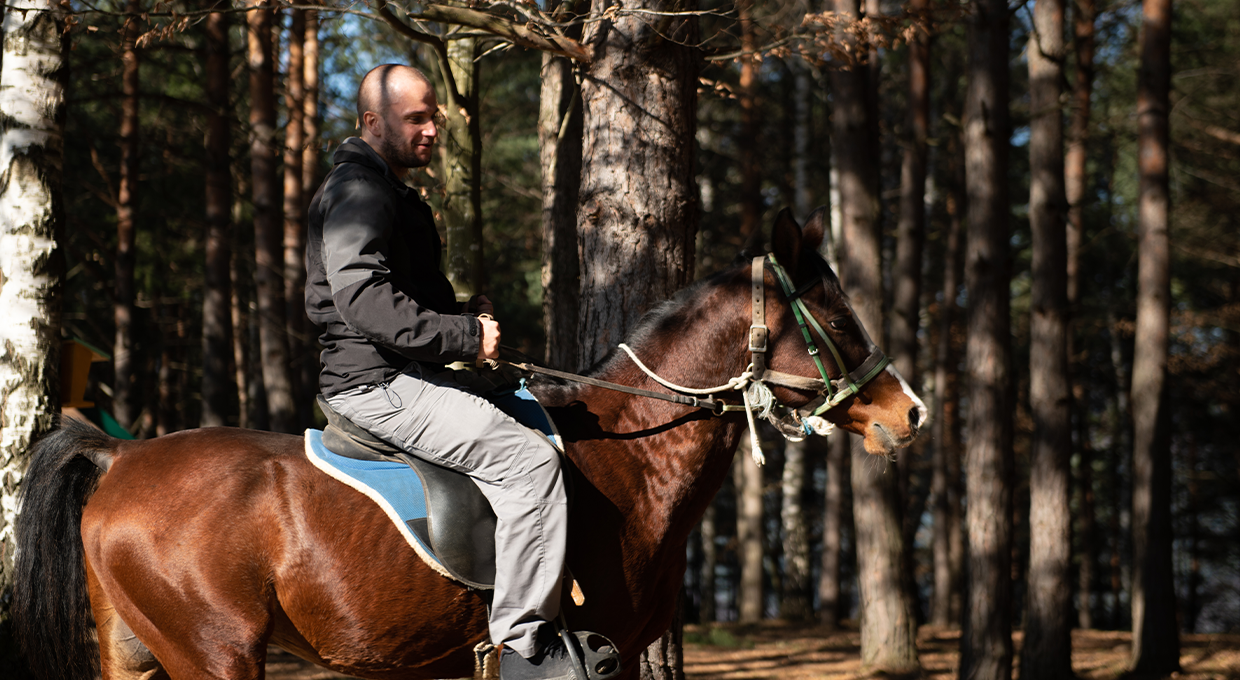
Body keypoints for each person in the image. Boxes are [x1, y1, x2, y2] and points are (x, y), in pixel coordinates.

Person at [304, 64, 573, 680]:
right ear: (373, 122)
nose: (431, 130)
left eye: (435, 117)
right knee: (529, 462)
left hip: (395, 370)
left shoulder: (387, 190)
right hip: (375, 384)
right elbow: (364, 300)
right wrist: (465, 336)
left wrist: (457, 314)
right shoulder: (361, 192)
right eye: (415, 119)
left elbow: (396, 293)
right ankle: (525, 653)